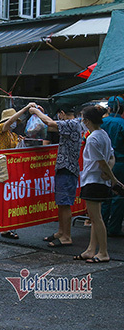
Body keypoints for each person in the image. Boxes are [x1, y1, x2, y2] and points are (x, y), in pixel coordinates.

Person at [74, 105, 124, 264]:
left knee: (96, 218)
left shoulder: (93, 138)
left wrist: (113, 179)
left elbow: (102, 162)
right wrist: (110, 174)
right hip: (99, 181)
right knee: (96, 218)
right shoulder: (103, 135)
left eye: (83, 119)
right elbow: (111, 157)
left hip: (93, 181)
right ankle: (91, 249)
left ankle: (103, 252)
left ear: (87, 121)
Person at [29, 104, 83, 247]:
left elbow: (49, 123)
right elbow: (50, 126)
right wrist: (41, 113)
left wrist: (34, 111)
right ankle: (61, 232)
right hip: (65, 167)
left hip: (67, 168)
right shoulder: (75, 123)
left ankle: (66, 236)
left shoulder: (71, 124)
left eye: (59, 115)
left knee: (65, 204)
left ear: (63, 113)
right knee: (61, 202)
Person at [0, 104, 33, 240]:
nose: (15, 123)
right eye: (13, 120)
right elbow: (9, 122)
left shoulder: (14, 135)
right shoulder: (1, 129)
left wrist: (21, 143)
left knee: (6, 198)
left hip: (9, 168)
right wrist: (25, 108)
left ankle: (5, 228)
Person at [100, 96, 124, 237]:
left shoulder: (101, 122)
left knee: (104, 195)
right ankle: (113, 228)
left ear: (109, 108)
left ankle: (101, 225)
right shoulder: (122, 124)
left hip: (102, 164)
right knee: (118, 195)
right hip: (120, 164)